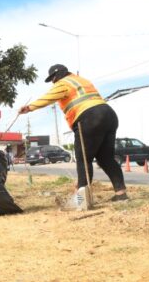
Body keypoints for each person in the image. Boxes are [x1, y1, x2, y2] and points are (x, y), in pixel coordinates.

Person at [19, 64, 128, 203]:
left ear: (57, 76)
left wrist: (29, 107)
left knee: (83, 159)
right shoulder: (82, 80)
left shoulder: (63, 83)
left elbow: (48, 97)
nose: (53, 82)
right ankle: (121, 193)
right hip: (109, 114)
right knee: (106, 158)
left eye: (53, 78)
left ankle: (82, 200)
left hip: (89, 117)